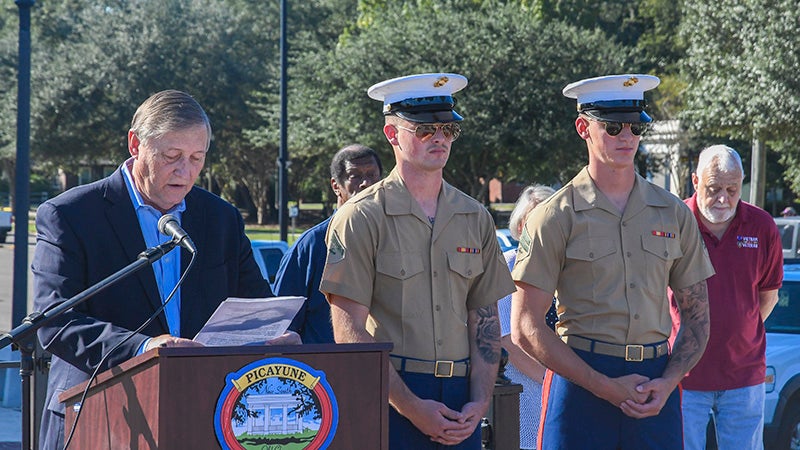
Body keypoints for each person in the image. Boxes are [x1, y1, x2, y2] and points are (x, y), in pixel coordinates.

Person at [32, 90, 298, 450]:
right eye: (171, 156)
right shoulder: (71, 215)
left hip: (200, 413)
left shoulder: (220, 218)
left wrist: (275, 334)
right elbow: (54, 320)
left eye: (196, 158)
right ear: (135, 144)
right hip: (98, 414)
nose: (185, 171)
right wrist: (144, 347)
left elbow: (257, 304)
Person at [510, 74, 715, 449]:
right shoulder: (554, 216)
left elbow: (698, 318)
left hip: (654, 387)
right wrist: (603, 386)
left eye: (637, 126)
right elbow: (525, 326)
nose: (627, 137)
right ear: (583, 127)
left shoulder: (673, 213)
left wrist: (669, 381)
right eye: (613, 126)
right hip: (581, 386)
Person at [319, 73, 515, 449]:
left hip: (462, 400)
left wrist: (479, 401)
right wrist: (412, 407)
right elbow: (349, 333)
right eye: (425, 129)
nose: (439, 138)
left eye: (447, 128)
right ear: (393, 134)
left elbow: (485, 322)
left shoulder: (475, 217)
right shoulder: (361, 217)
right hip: (391, 396)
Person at [670, 145, 782, 450]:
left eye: (732, 189)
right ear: (695, 181)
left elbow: (767, 298)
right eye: (713, 188)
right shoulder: (674, 223)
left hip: (743, 374)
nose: (723, 198)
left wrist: (736, 331)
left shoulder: (761, 227)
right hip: (682, 374)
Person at [273, 144, 383, 343]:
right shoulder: (311, 246)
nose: (366, 183)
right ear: (335, 186)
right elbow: (281, 323)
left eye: (372, 175)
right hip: (321, 369)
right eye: (355, 176)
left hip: (384, 366)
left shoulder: (392, 238)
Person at [496, 184, 556, 450]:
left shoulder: (569, 271)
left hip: (565, 391)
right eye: (536, 220)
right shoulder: (505, 267)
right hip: (525, 396)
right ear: (520, 227)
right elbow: (507, 341)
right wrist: (552, 383)